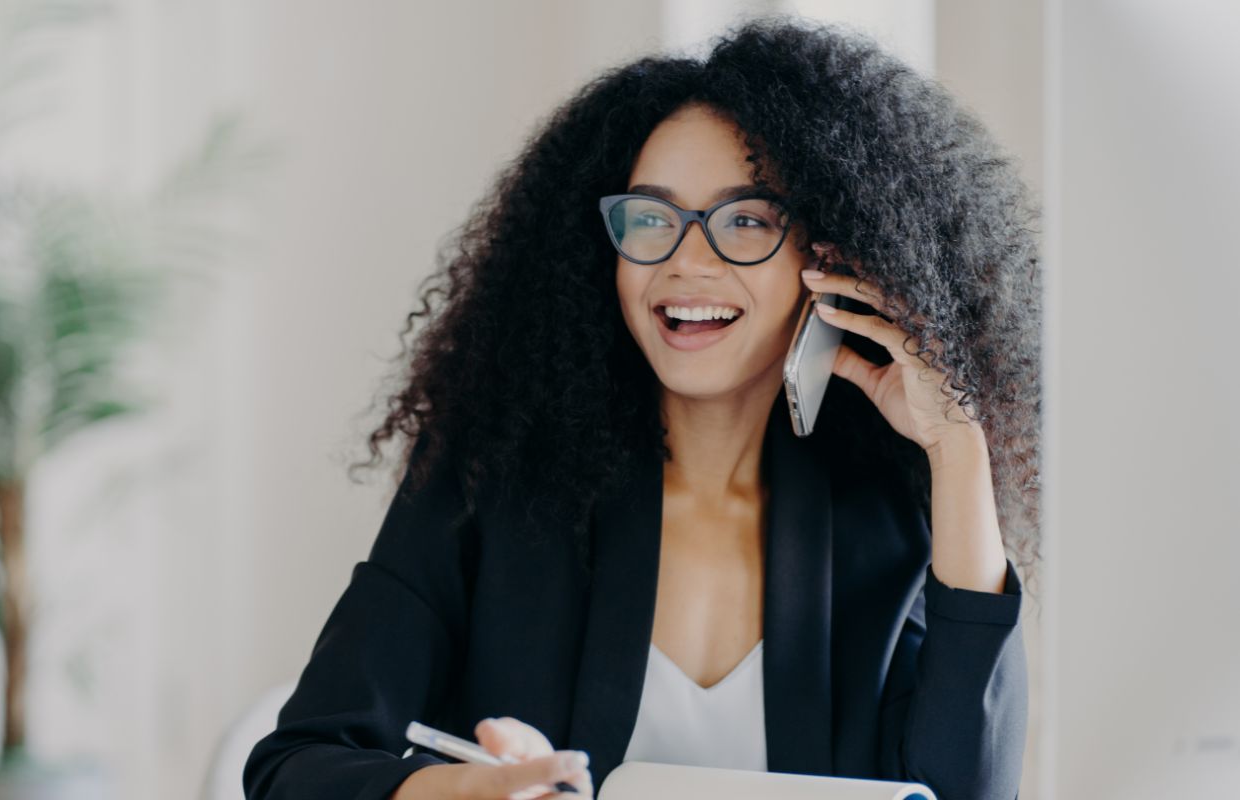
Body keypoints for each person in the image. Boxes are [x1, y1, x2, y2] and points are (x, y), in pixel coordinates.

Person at [244, 14, 1040, 800]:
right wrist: (462, 796)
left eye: (747, 221)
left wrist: (957, 447)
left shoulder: (891, 517)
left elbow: (962, 791)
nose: (688, 261)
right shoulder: (489, 483)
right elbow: (296, 767)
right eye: (651, 218)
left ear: (830, 256)